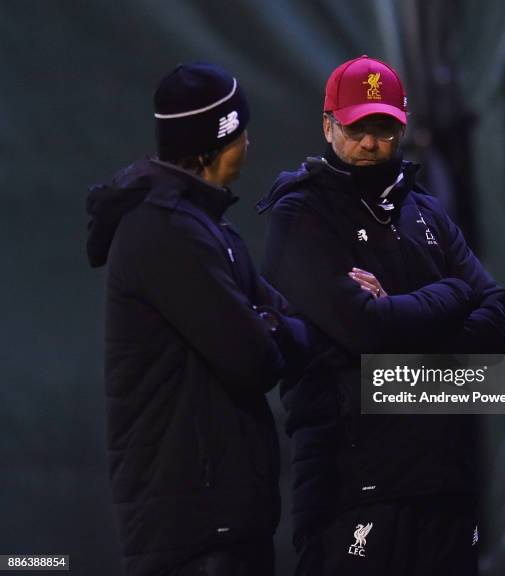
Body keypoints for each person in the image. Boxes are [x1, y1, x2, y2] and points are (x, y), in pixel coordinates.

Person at [257, 55, 505, 575]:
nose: (371, 143)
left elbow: (495, 323)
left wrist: (401, 306)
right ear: (328, 127)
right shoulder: (300, 214)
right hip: (351, 483)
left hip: (443, 479)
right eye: (357, 128)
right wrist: (453, 293)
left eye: (385, 127)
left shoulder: (426, 210)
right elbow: (368, 329)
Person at [86, 62, 316, 576]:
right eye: (239, 132)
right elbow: (256, 359)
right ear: (212, 144)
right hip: (193, 528)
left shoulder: (206, 227)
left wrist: (269, 323)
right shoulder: (165, 231)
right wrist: (269, 326)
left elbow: (291, 329)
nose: (249, 143)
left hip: (220, 520)